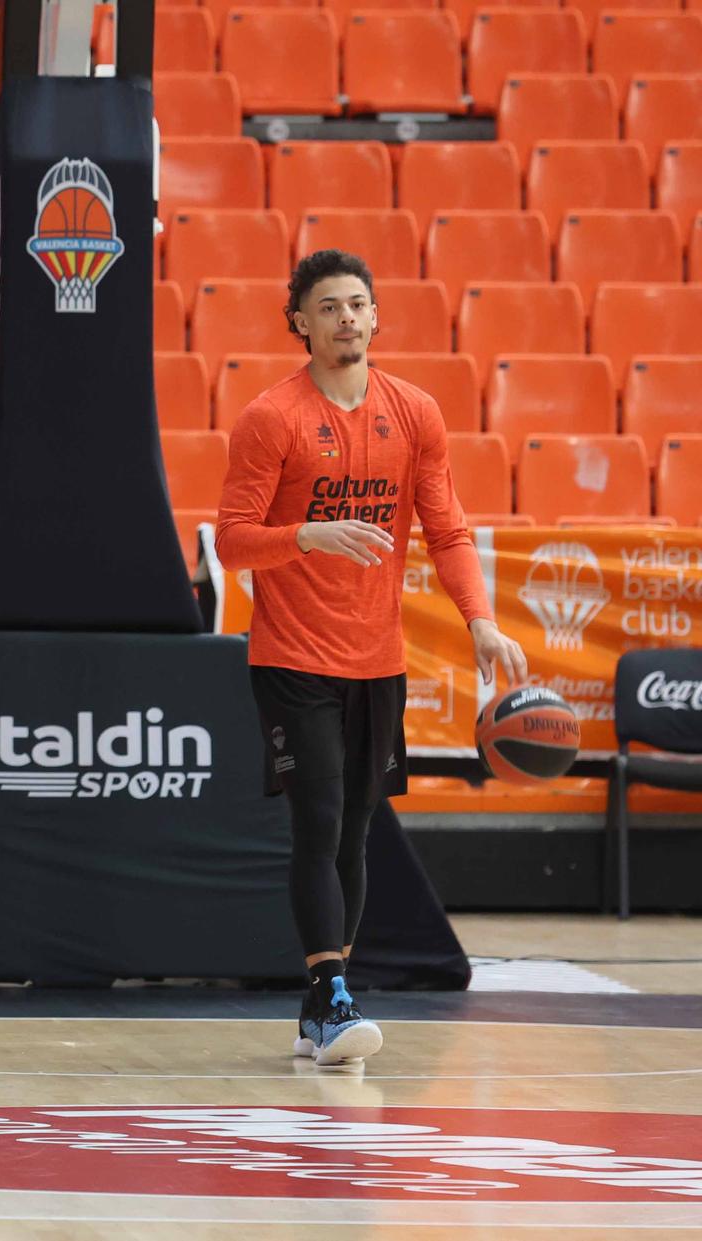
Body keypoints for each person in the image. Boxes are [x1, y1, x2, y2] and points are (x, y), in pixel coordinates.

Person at [214, 250, 527, 1067]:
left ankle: (323, 1002)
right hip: (292, 656)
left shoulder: (415, 412)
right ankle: (330, 997)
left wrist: (482, 623)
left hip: (376, 659)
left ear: (376, 317)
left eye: (358, 303)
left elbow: (449, 531)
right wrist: (306, 535)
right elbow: (232, 542)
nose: (347, 317)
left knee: (354, 833)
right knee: (317, 821)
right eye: (329, 307)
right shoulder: (270, 418)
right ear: (301, 324)